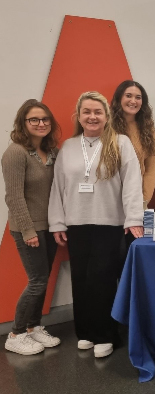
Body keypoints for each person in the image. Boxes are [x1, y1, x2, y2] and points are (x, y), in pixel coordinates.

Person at [48, 91, 144, 358]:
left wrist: (134, 218)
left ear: (106, 116)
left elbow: (132, 184)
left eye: (97, 112)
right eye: (87, 112)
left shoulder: (120, 143)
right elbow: (58, 188)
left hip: (109, 223)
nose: (92, 117)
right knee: (80, 280)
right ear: (78, 116)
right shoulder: (68, 147)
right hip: (76, 223)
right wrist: (57, 222)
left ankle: (106, 335)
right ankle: (86, 332)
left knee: (102, 280)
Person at [2, 99, 61, 355]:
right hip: (28, 227)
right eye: (34, 119)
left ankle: (33, 327)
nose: (40, 123)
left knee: (43, 279)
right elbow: (13, 197)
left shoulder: (52, 151)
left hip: (50, 226)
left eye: (45, 119)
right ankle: (15, 334)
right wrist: (28, 231)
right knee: (37, 280)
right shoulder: (15, 152)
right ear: (23, 124)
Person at [111, 80, 155, 209]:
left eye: (138, 97)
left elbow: (151, 167)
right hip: (110, 199)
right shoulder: (107, 126)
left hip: (138, 199)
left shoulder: (148, 128)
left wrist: (144, 199)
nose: (133, 101)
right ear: (119, 98)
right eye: (128, 96)